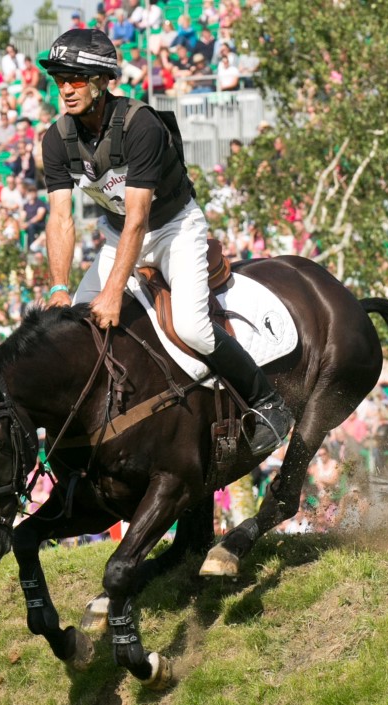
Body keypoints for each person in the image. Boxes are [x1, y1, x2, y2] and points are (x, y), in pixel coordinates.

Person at [39, 29, 292, 454]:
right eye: (60, 79)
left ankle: (268, 403)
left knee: (192, 327)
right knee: (74, 329)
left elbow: (139, 218)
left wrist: (114, 293)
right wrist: (60, 287)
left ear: (103, 81)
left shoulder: (142, 126)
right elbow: (61, 219)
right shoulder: (56, 139)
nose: (66, 88)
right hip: (117, 235)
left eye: (77, 78)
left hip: (174, 228)